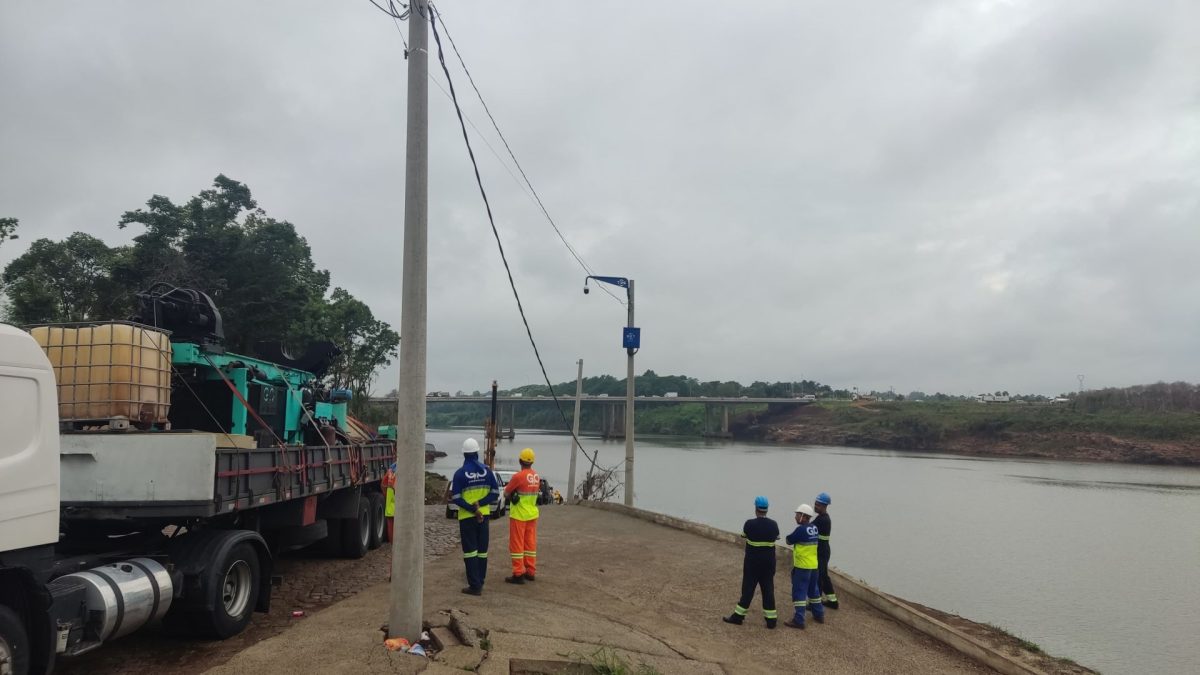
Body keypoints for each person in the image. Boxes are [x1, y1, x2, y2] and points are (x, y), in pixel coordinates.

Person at [449, 437, 501, 596]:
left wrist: (472, 509)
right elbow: (495, 493)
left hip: (467, 517)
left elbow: (456, 498)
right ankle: (481, 579)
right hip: (484, 516)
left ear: (464, 455)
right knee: (482, 551)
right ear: (477, 453)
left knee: (470, 551)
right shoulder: (487, 471)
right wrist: (480, 505)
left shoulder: (459, 474)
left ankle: (474, 585)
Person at [723, 496, 780, 628]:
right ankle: (771, 621)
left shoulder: (749, 523)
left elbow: (744, 536)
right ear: (767, 509)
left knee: (748, 590)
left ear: (756, 508)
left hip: (752, 564)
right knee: (768, 590)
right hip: (768, 564)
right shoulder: (774, 524)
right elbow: (776, 537)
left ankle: (738, 617)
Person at [503, 447, 541, 584]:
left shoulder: (518, 476)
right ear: (532, 462)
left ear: (520, 460)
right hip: (532, 514)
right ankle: (530, 571)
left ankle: (518, 573)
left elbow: (506, 493)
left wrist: (513, 494)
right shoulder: (536, 476)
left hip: (519, 515)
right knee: (530, 544)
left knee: (516, 545)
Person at [784, 504, 825, 629]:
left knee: (799, 592)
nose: (795, 517)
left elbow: (789, 540)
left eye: (797, 515)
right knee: (814, 591)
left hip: (802, 567)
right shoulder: (814, 528)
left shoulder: (801, 530)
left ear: (803, 516)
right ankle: (819, 614)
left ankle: (799, 620)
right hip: (813, 566)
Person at [813, 492, 838, 609]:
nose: (815, 506)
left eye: (818, 504)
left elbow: (809, 528)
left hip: (822, 551)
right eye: (815, 503)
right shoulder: (822, 517)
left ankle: (816, 602)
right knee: (823, 575)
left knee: (819, 576)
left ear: (824, 506)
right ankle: (832, 601)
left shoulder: (822, 520)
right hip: (823, 550)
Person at [382, 461, 397, 542]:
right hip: (399, 507)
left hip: (390, 507)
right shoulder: (404, 472)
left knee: (391, 527)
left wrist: (386, 495)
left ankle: (393, 544)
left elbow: (383, 485)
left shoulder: (390, 472)